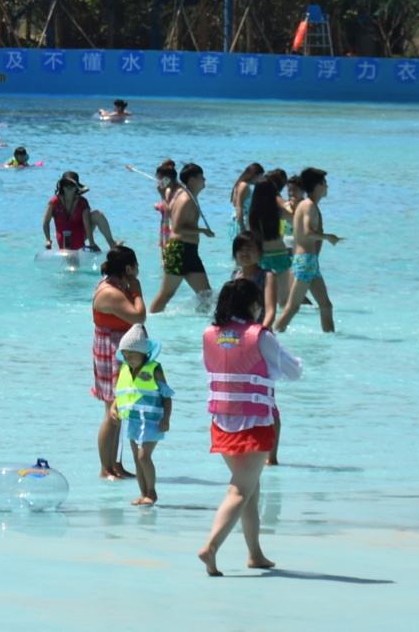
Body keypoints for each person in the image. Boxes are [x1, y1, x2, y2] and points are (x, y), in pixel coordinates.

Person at [196, 279, 303, 575]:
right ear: (253, 305)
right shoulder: (259, 335)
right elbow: (293, 372)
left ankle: (255, 554)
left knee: (251, 490)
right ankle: (211, 547)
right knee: (240, 491)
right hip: (254, 424)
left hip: (221, 422)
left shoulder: (209, 334)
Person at [92, 246, 148, 481]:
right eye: (135, 266)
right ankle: (106, 469)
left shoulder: (116, 286)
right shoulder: (111, 292)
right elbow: (139, 315)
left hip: (119, 349)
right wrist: (137, 292)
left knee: (119, 411)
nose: (138, 271)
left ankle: (116, 464)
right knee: (112, 411)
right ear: (128, 268)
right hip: (111, 351)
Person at [108, 324, 173, 506]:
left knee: (144, 456)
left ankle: (152, 493)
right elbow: (122, 392)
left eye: (132, 355)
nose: (128, 359)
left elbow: (167, 397)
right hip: (134, 421)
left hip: (153, 421)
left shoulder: (154, 370)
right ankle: (143, 493)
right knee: (137, 458)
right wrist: (114, 407)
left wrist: (166, 419)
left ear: (143, 353)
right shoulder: (125, 370)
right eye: (125, 356)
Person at [276, 167, 340, 333]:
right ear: (318, 185)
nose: (327, 186)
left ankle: (330, 341)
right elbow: (307, 232)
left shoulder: (307, 205)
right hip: (305, 262)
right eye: (325, 183)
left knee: (326, 306)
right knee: (292, 307)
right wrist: (329, 237)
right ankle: (270, 336)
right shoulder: (309, 205)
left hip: (310, 263)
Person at [148, 163, 212, 314]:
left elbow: (170, 212)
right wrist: (202, 230)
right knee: (166, 295)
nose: (204, 179)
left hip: (190, 251)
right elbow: (177, 228)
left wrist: (163, 196)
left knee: (206, 295)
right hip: (179, 249)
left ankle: (196, 327)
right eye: (201, 177)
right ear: (192, 181)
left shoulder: (185, 195)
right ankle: (146, 323)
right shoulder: (185, 199)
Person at [245, 169, 292, 329]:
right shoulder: (277, 211)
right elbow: (295, 219)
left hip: (262, 257)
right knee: (283, 300)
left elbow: (251, 237)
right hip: (280, 255)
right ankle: (280, 330)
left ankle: (256, 328)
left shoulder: (252, 214)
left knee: (260, 300)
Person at [42, 172, 116, 252]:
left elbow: (86, 222)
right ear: (62, 186)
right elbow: (46, 222)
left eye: (72, 184)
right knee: (72, 262)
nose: (69, 186)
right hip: (64, 237)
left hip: (80, 235)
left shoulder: (82, 202)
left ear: (77, 186)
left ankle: (112, 244)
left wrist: (92, 243)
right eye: (66, 184)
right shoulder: (55, 202)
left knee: (98, 214)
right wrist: (48, 239)